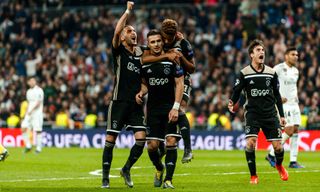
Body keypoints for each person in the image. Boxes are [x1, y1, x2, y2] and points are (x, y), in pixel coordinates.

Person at [228, 39, 288, 184]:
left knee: (278, 147)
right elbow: (237, 90)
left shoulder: (271, 73)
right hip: (252, 113)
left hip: (270, 114)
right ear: (251, 55)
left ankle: (279, 165)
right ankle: (253, 176)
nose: (262, 52)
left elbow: (277, 95)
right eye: (258, 50)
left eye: (263, 50)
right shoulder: (245, 73)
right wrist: (231, 101)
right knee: (250, 143)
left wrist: (281, 115)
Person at [101, 1, 147, 189]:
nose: (133, 33)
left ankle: (126, 168)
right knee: (111, 140)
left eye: (134, 31)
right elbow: (116, 30)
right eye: (129, 31)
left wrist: (142, 92)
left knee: (141, 139)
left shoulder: (141, 55)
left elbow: (145, 82)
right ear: (121, 37)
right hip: (119, 102)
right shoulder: (118, 51)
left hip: (135, 105)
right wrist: (128, 11)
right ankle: (105, 177)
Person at [142, 19, 195, 163]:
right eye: (165, 37)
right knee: (166, 109)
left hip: (183, 79)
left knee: (180, 108)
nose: (166, 40)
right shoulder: (157, 39)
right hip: (167, 79)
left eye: (169, 38)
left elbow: (192, 68)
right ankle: (162, 144)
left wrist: (180, 56)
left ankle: (188, 149)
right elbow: (144, 59)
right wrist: (167, 55)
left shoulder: (184, 44)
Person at [136, 29, 184, 189]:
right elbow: (145, 83)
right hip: (153, 110)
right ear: (148, 44)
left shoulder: (173, 59)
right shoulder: (145, 62)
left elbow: (179, 83)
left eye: (158, 41)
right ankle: (159, 167)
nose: (156, 44)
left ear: (163, 41)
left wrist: (176, 107)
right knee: (152, 146)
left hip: (170, 108)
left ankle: (168, 180)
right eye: (152, 42)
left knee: (171, 141)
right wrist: (141, 92)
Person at [266, 47, 304, 168]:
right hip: (284, 104)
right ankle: (271, 154)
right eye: (293, 54)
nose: (296, 57)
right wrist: (276, 96)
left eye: (297, 55)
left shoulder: (296, 71)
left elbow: (293, 87)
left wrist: (296, 97)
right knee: (289, 130)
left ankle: (293, 161)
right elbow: (267, 81)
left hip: (294, 104)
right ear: (286, 56)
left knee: (296, 130)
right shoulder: (278, 68)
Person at [21, 77, 44, 153]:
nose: (32, 82)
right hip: (29, 113)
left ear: (35, 82)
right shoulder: (28, 92)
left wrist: (31, 110)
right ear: (28, 83)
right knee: (23, 127)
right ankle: (28, 146)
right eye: (30, 81)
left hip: (37, 113)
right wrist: (27, 112)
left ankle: (39, 148)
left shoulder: (39, 90)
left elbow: (38, 103)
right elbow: (29, 103)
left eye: (33, 80)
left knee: (38, 130)